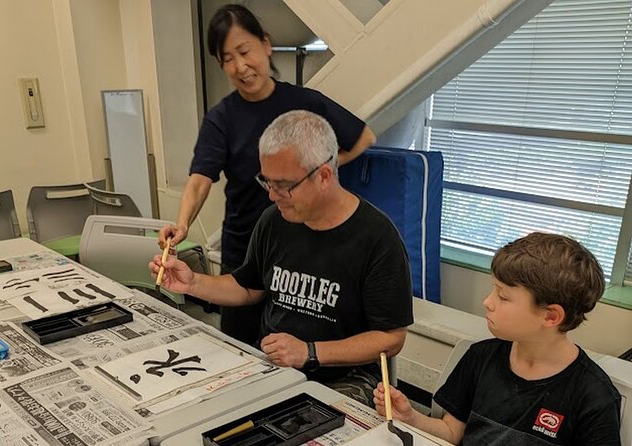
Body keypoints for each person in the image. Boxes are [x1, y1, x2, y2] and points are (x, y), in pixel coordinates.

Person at [151, 110, 411, 406]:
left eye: (283, 186)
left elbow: (391, 338)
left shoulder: (377, 237)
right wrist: (193, 283)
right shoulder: (274, 220)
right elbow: (249, 288)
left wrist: (310, 352)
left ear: (324, 176)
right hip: (275, 362)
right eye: (267, 182)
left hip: (345, 377)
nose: (272, 196)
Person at [158, 4, 376, 346]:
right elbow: (200, 179)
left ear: (266, 44)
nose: (240, 66)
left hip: (304, 251)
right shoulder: (223, 118)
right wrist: (182, 224)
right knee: (241, 345)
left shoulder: (304, 102)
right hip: (245, 247)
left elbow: (363, 137)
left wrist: (318, 174)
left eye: (245, 51)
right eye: (227, 58)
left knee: (297, 346)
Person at [374, 232, 621, 445]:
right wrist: (409, 418)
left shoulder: (593, 396)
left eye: (503, 296)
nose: (487, 302)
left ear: (550, 316)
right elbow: (451, 433)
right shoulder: (479, 357)